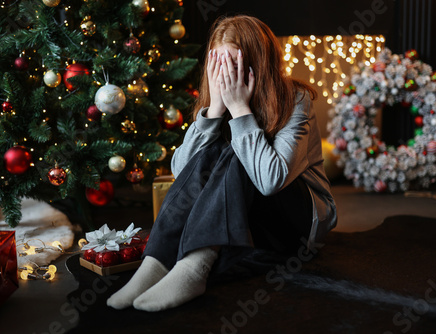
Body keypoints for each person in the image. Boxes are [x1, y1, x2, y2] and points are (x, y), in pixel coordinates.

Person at [107, 15, 337, 312]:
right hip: (254, 225)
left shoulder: (296, 98)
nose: (225, 74)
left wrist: (241, 110)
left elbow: (270, 181)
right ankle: (157, 262)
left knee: (238, 150)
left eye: (234, 64)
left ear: (256, 64)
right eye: (219, 64)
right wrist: (214, 111)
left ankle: (194, 267)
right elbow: (182, 173)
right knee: (219, 147)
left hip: (300, 224)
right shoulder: (216, 98)